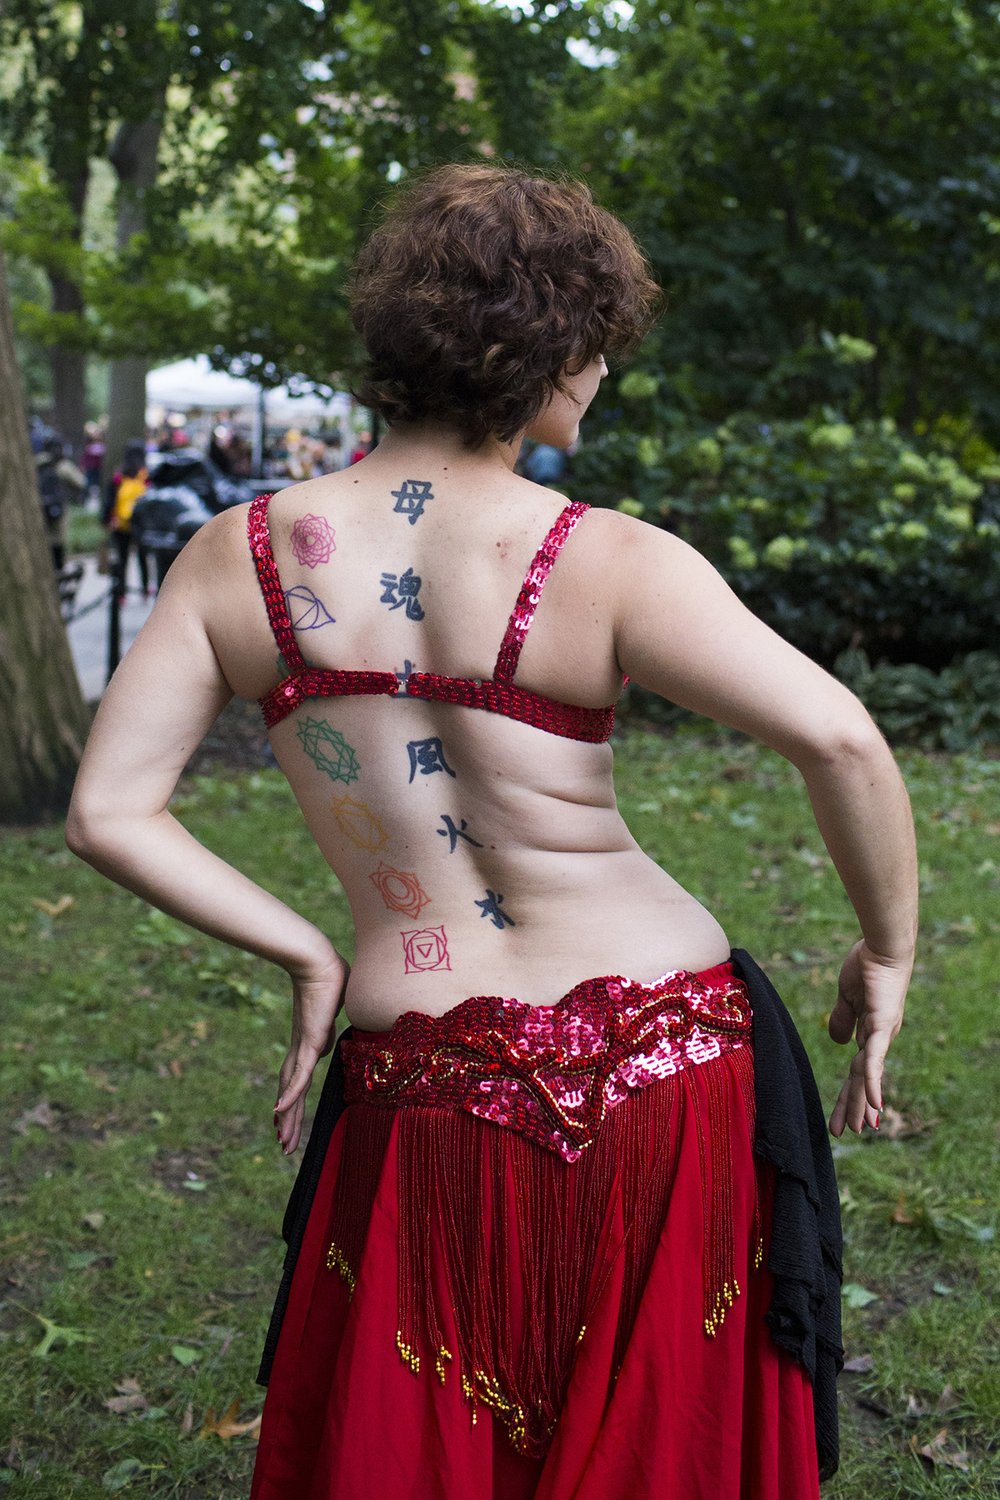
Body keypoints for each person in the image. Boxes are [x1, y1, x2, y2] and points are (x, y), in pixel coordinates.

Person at [66, 165, 917, 1500]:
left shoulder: (237, 559)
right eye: (598, 350)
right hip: (665, 1061)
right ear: (551, 351)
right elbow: (845, 738)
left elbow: (110, 811)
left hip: (417, 1074)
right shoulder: (610, 558)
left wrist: (307, 950)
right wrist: (888, 949)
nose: (600, 379)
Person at [103, 440, 151, 600]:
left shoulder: (119, 475)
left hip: (120, 523)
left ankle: (121, 593)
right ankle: (145, 590)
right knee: (142, 557)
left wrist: (107, 519)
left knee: (122, 559)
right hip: (141, 524)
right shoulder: (145, 475)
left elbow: (110, 500)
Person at [36, 436, 86, 572]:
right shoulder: (64, 467)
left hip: (44, 507)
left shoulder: (39, 462)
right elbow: (81, 483)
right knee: (58, 540)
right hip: (57, 508)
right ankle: (58, 569)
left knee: (51, 540)